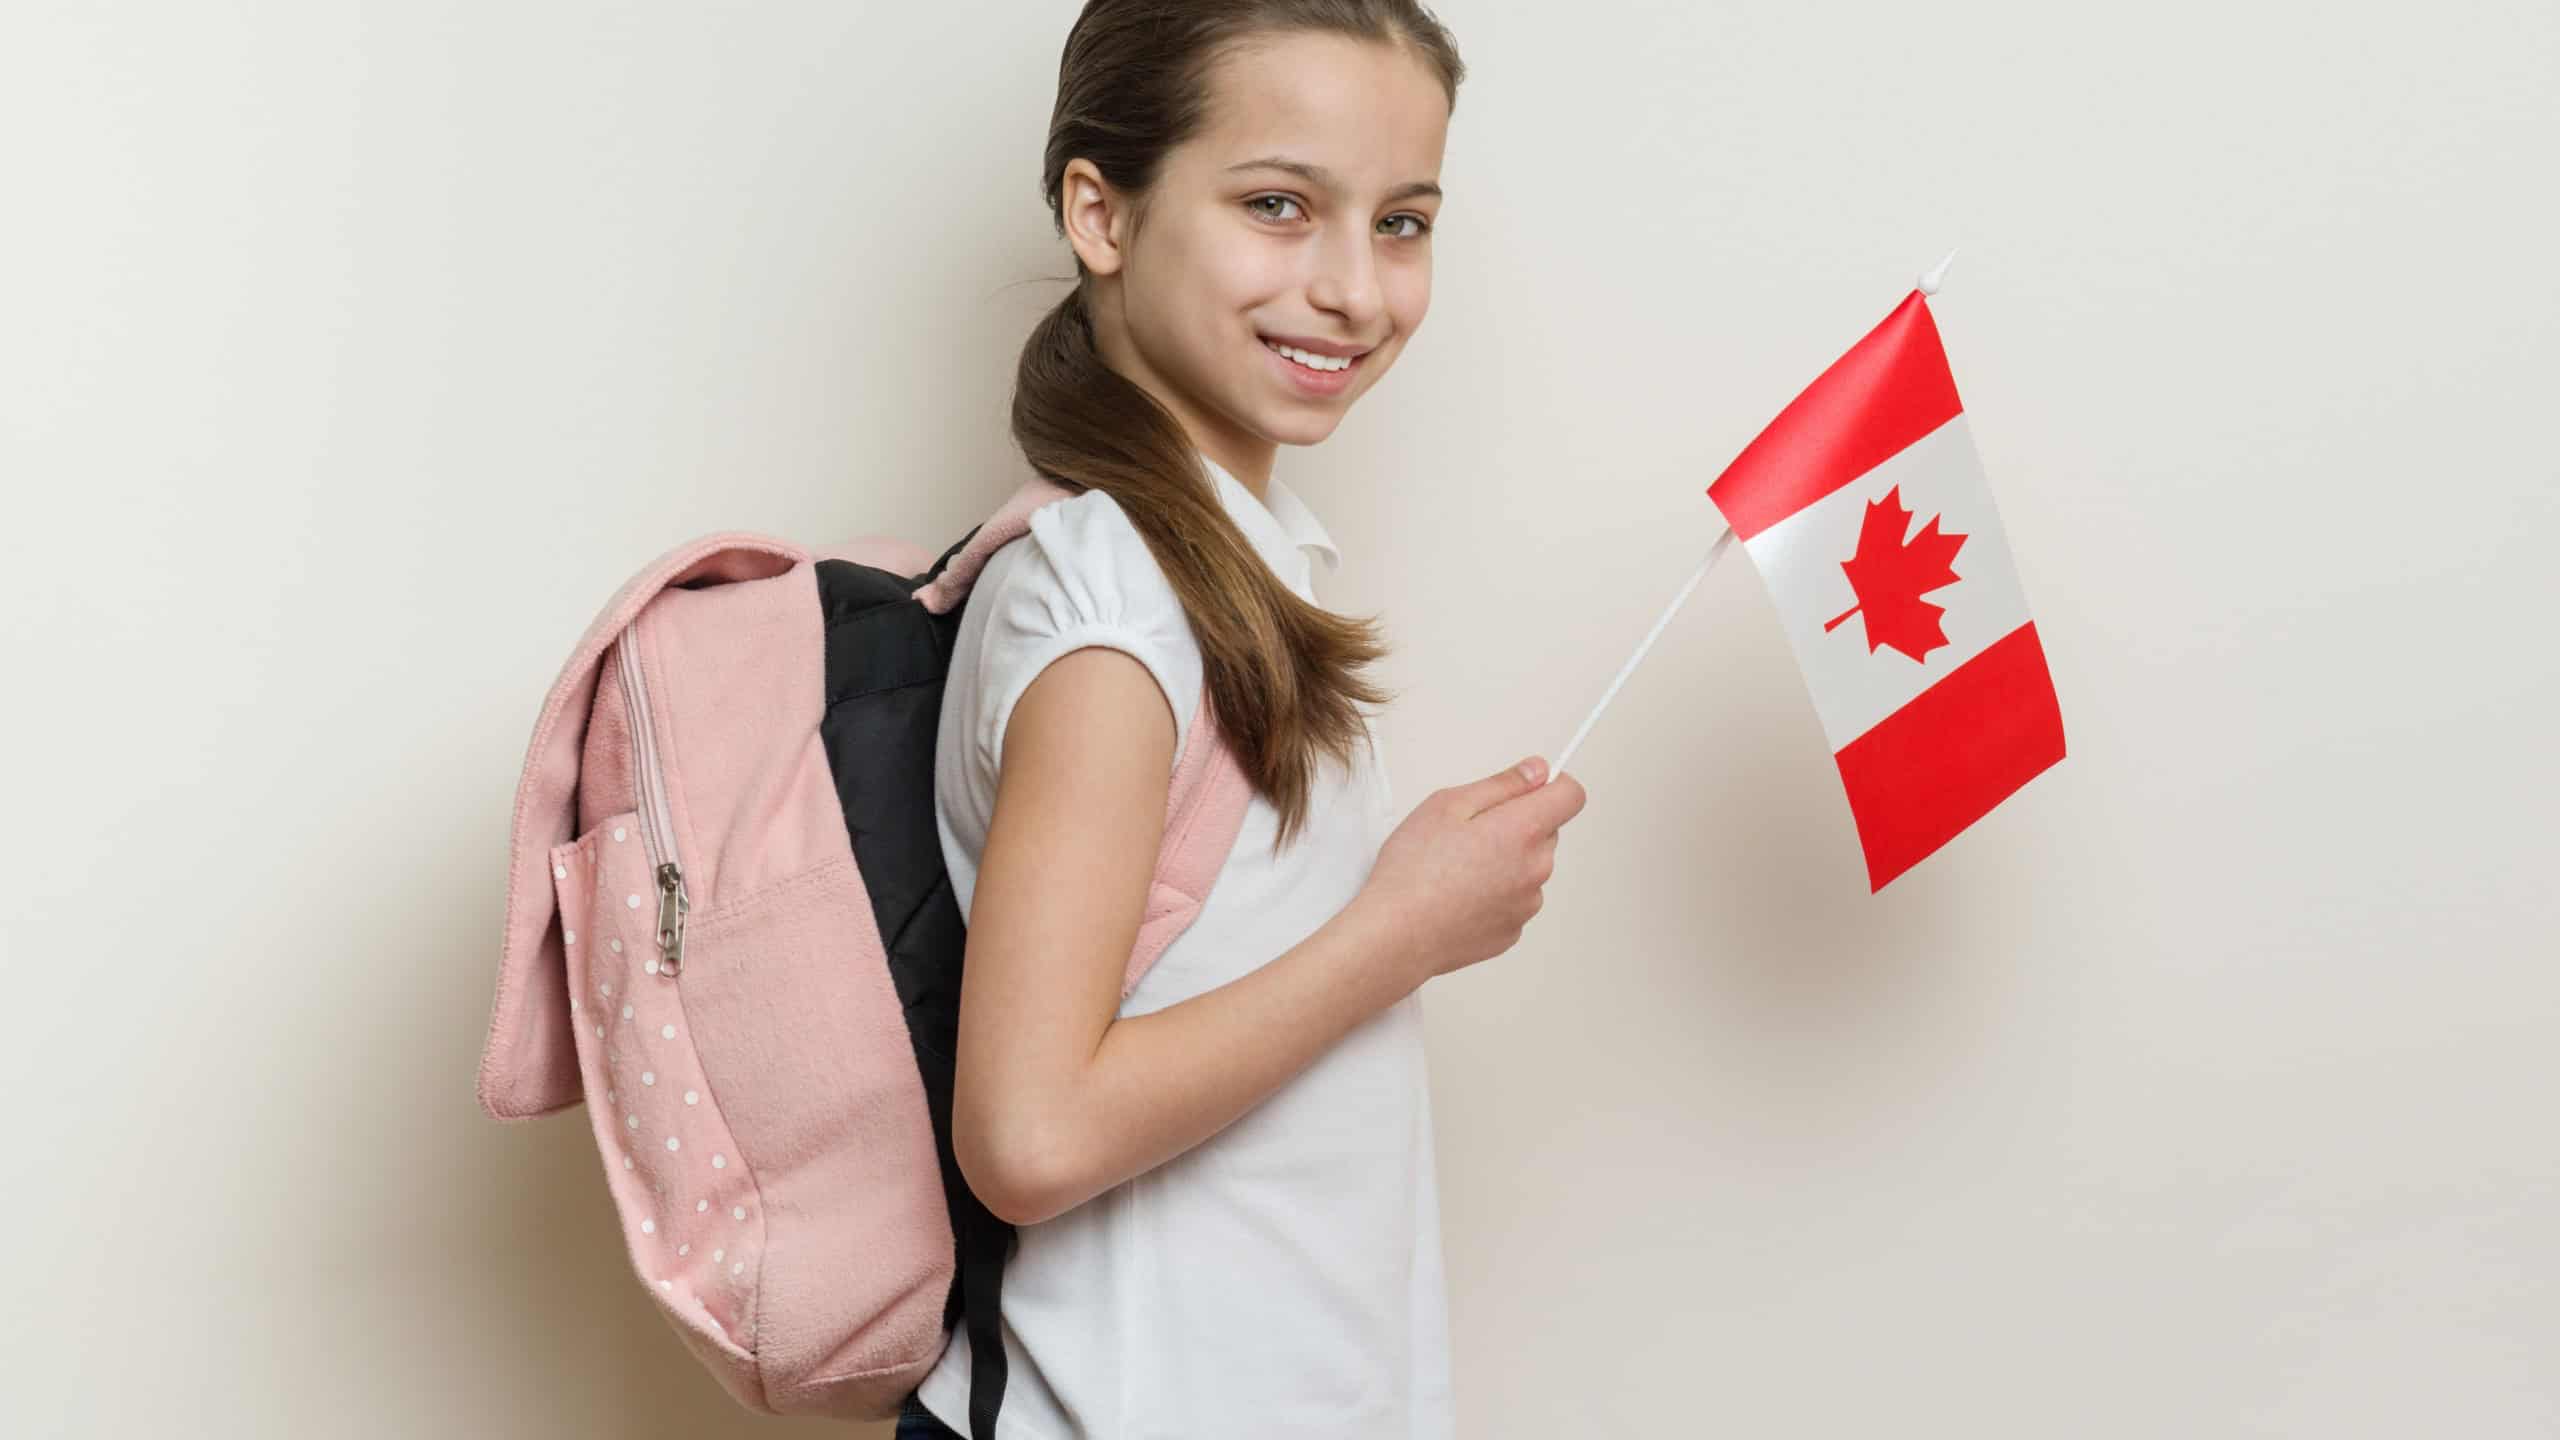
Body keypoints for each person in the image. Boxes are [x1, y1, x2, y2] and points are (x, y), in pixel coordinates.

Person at [901, 3, 1586, 1436]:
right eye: (1280, 206)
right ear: (1103, 209)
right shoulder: (1112, 607)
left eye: (1403, 223)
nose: (1352, 286)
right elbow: (1028, 1135)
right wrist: (1400, 930)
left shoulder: (1223, 565)